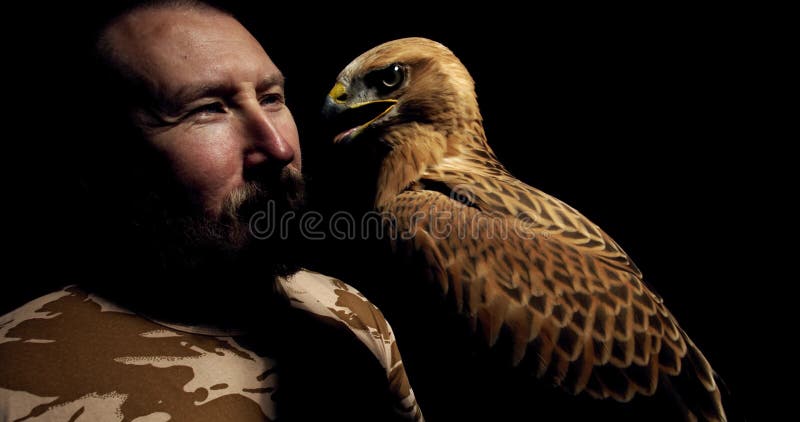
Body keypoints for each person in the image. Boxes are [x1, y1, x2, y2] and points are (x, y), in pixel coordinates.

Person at [0, 1, 421, 421]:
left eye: (271, 98)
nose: (279, 148)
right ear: (106, 156)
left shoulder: (349, 314)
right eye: (207, 109)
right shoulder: (14, 373)